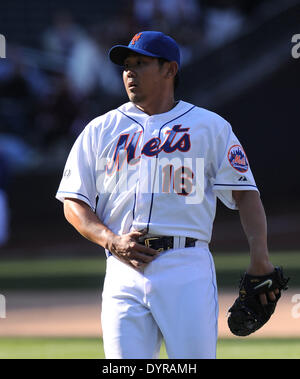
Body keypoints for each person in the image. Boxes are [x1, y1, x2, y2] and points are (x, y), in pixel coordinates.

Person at [56, 31, 278, 359]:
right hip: (122, 268)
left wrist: (260, 258)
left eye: (140, 63)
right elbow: (73, 202)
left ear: (169, 70)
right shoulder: (100, 129)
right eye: (126, 65)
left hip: (185, 266)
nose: (129, 72)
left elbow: (246, 194)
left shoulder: (209, 126)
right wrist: (109, 239)